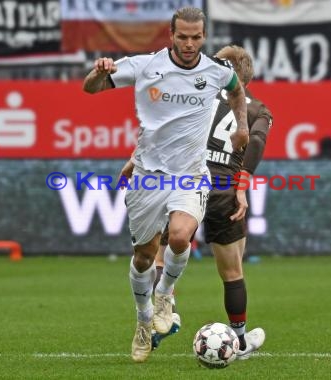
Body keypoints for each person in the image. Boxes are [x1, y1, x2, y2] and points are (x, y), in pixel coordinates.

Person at [83, 7, 249, 363]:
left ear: (204, 36)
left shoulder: (217, 71)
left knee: (179, 236)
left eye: (196, 37)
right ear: (171, 35)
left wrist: (243, 126)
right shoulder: (145, 66)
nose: (189, 44)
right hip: (148, 176)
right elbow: (90, 89)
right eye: (183, 37)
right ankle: (143, 321)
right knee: (143, 257)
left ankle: (165, 296)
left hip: (190, 174)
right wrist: (99, 73)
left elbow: (237, 92)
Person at [123, 45, 273, 359]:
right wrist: (242, 186)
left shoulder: (194, 96)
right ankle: (241, 342)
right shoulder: (258, 109)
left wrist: (135, 159)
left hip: (182, 180)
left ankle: (164, 316)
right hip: (223, 190)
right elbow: (256, 141)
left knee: (162, 257)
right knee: (232, 273)